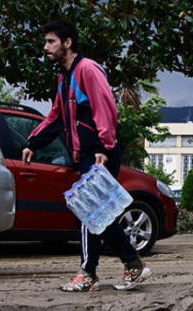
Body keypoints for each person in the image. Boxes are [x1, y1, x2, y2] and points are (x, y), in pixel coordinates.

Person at [22, 20, 152, 293]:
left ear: (67, 43)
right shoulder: (64, 77)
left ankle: (90, 272)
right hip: (87, 155)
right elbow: (56, 116)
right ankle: (131, 263)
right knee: (96, 215)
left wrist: (103, 149)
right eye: (45, 42)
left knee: (89, 213)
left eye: (51, 42)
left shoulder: (87, 70)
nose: (45, 47)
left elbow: (106, 111)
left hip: (99, 154)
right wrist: (34, 142)